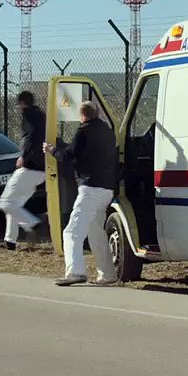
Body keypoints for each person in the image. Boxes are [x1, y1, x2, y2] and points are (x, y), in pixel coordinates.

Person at [44, 100, 118, 286]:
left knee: (72, 232)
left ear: (82, 115)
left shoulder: (83, 131)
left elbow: (68, 156)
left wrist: (52, 150)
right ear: (97, 113)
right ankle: (107, 274)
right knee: (96, 232)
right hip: (107, 189)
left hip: (89, 188)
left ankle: (75, 272)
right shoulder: (108, 132)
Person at [0, 90, 47, 250]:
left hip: (30, 167)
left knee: (4, 202)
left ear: (22, 103)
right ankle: (10, 241)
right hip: (42, 169)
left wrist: (24, 156)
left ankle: (32, 223)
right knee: (15, 204)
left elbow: (31, 137)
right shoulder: (41, 115)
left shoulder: (29, 115)